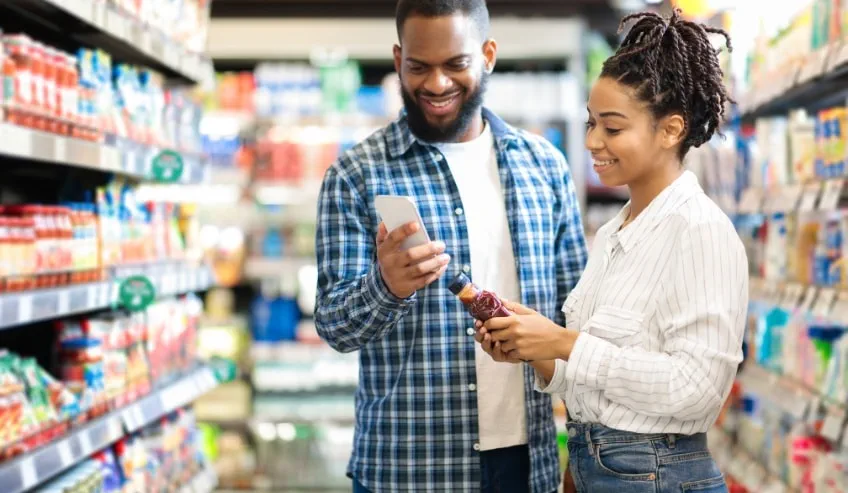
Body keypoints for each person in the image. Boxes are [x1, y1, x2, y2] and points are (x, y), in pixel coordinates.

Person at [313, 0, 588, 491]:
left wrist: (585, 452)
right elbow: (335, 327)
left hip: (528, 465)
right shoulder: (356, 175)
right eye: (419, 67)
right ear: (398, 60)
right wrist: (386, 287)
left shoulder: (544, 167)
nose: (437, 84)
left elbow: (579, 321)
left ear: (488, 55)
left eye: (456, 64)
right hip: (407, 469)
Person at [475, 9, 748, 493]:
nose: (592, 141)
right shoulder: (613, 233)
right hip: (597, 467)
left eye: (613, 128)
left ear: (671, 130)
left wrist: (565, 342)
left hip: (659, 474)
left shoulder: (700, 230)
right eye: (591, 122)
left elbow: (697, 389)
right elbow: (599, 383)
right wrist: (533, 348)